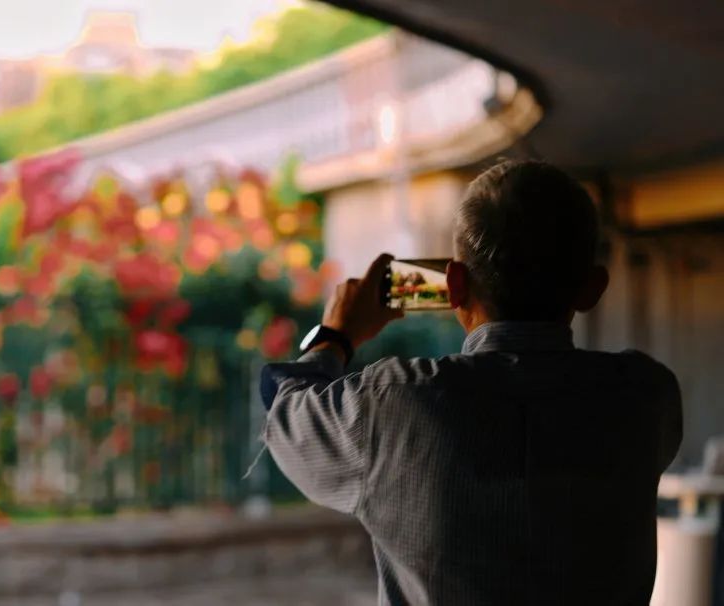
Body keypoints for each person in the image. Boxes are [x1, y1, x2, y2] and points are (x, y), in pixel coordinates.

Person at [260, 160, 682, 605]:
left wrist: (337, 336)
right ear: (593, 288)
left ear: (454, 284)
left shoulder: (392, 404)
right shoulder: (646, 397)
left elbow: (282, 407)